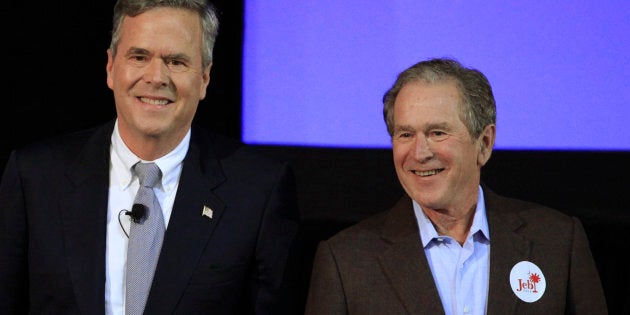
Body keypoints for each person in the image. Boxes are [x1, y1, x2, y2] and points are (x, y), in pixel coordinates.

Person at [0, 0, 300, 314]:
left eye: (176, 62)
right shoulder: (36, 177)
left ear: (205, 79)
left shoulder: (258, 193)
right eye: (140, 56)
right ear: (111, 68)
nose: (156, 77)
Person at [304, 58, 607, 314]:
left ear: (484, 143)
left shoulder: (557, 243)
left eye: (437, 132)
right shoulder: (346, 262)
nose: (420, 153)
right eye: (405, 134)